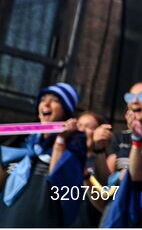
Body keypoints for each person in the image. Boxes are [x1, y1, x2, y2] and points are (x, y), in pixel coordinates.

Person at [0, 83, 87, 227]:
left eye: (55, 100)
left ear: (66, 109)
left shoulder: (74, 145)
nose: (46, 103)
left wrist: (60, 140)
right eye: (43, 99)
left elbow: (60, 181)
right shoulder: (22, 142)